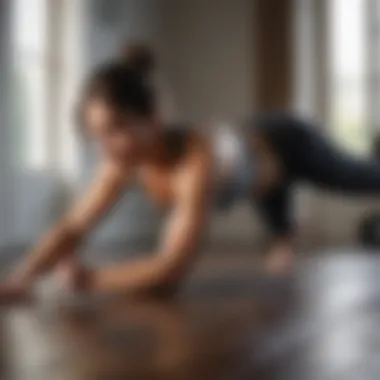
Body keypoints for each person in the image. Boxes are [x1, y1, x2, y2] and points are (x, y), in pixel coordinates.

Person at [2, 58, 380, 304]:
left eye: (116, 129)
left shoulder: (195, 163)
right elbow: (74, 226)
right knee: (267, 190)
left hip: (291, 143)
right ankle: (285, 234)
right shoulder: (122, 159)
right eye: (97, 135)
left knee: (360, 179)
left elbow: (171, 269)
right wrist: (22, 278)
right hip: (257, 163)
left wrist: (93, 279)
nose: (106, 147)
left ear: (152, 117)